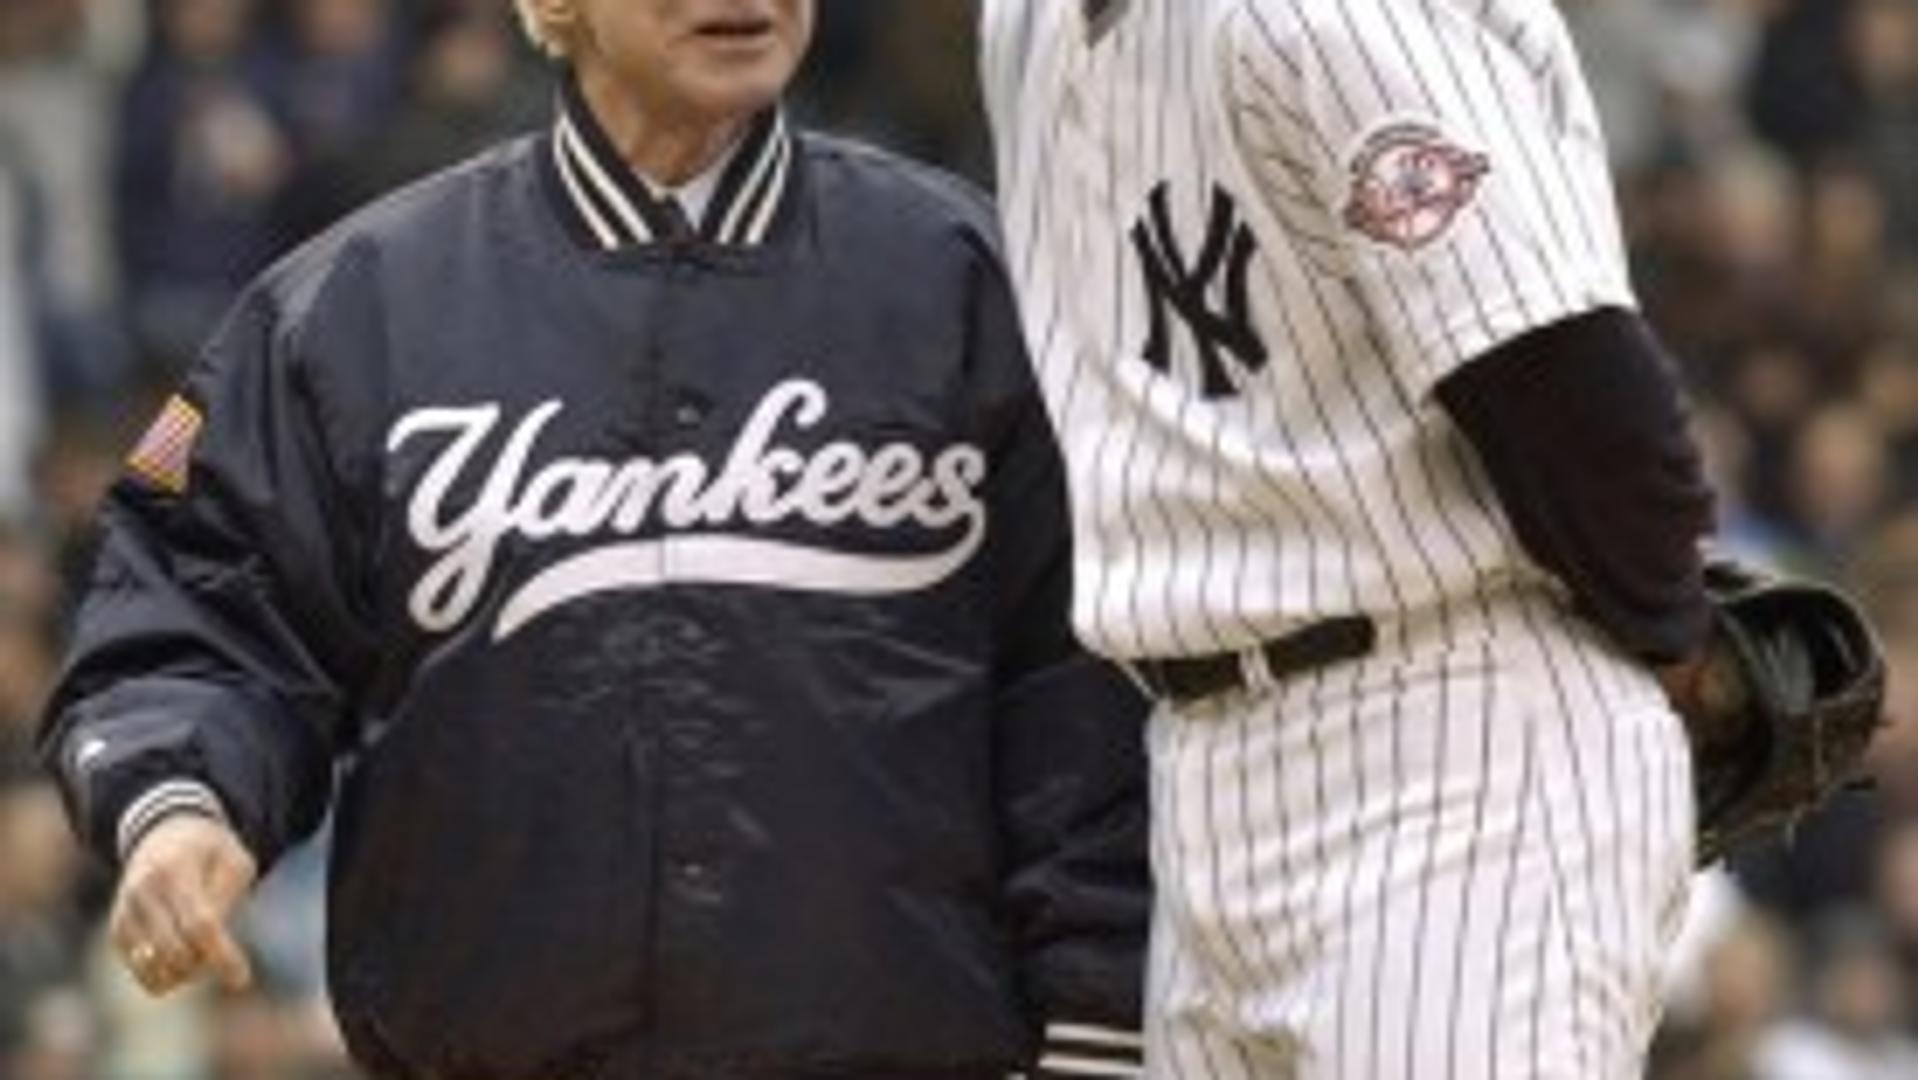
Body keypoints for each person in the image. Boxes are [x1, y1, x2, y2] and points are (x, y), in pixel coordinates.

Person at [39, 2, 1153, 1076]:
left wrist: (1099, 1028)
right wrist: (181, 800)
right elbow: (198, 615)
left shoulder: (974, 282)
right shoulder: (357, 310)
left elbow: (1093, 695)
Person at [980, 2, 1723, 1076]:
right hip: (1196, 758)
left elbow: (1563, 370)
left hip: (1451, 741)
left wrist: (1669, 631)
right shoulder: (1025, 23)